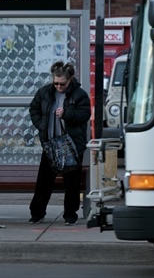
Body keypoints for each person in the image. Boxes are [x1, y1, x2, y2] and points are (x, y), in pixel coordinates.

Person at [28, 61, 91, 226]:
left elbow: (84, 115)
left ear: (70, 80)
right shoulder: (44, 93)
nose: (58, 86)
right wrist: (42, 126)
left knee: (71, 182)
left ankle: (70, 215)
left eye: (62, 83)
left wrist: (66, 114)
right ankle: (37, 213)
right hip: (50, 143)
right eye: (55, 83)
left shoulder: (80, 95)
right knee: (44, 180)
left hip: (71, 145)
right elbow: (33, 109)